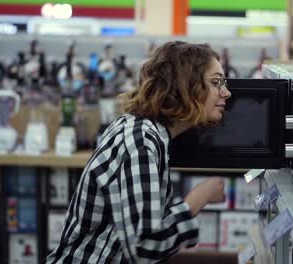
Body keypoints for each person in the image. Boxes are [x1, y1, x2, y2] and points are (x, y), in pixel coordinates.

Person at [46, 41, 231, 263]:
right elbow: (144, 248)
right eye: (216, 82)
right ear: (185, 86)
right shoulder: (141, 142)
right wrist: (199, 198)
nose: (226, 93)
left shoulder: (147, 133)